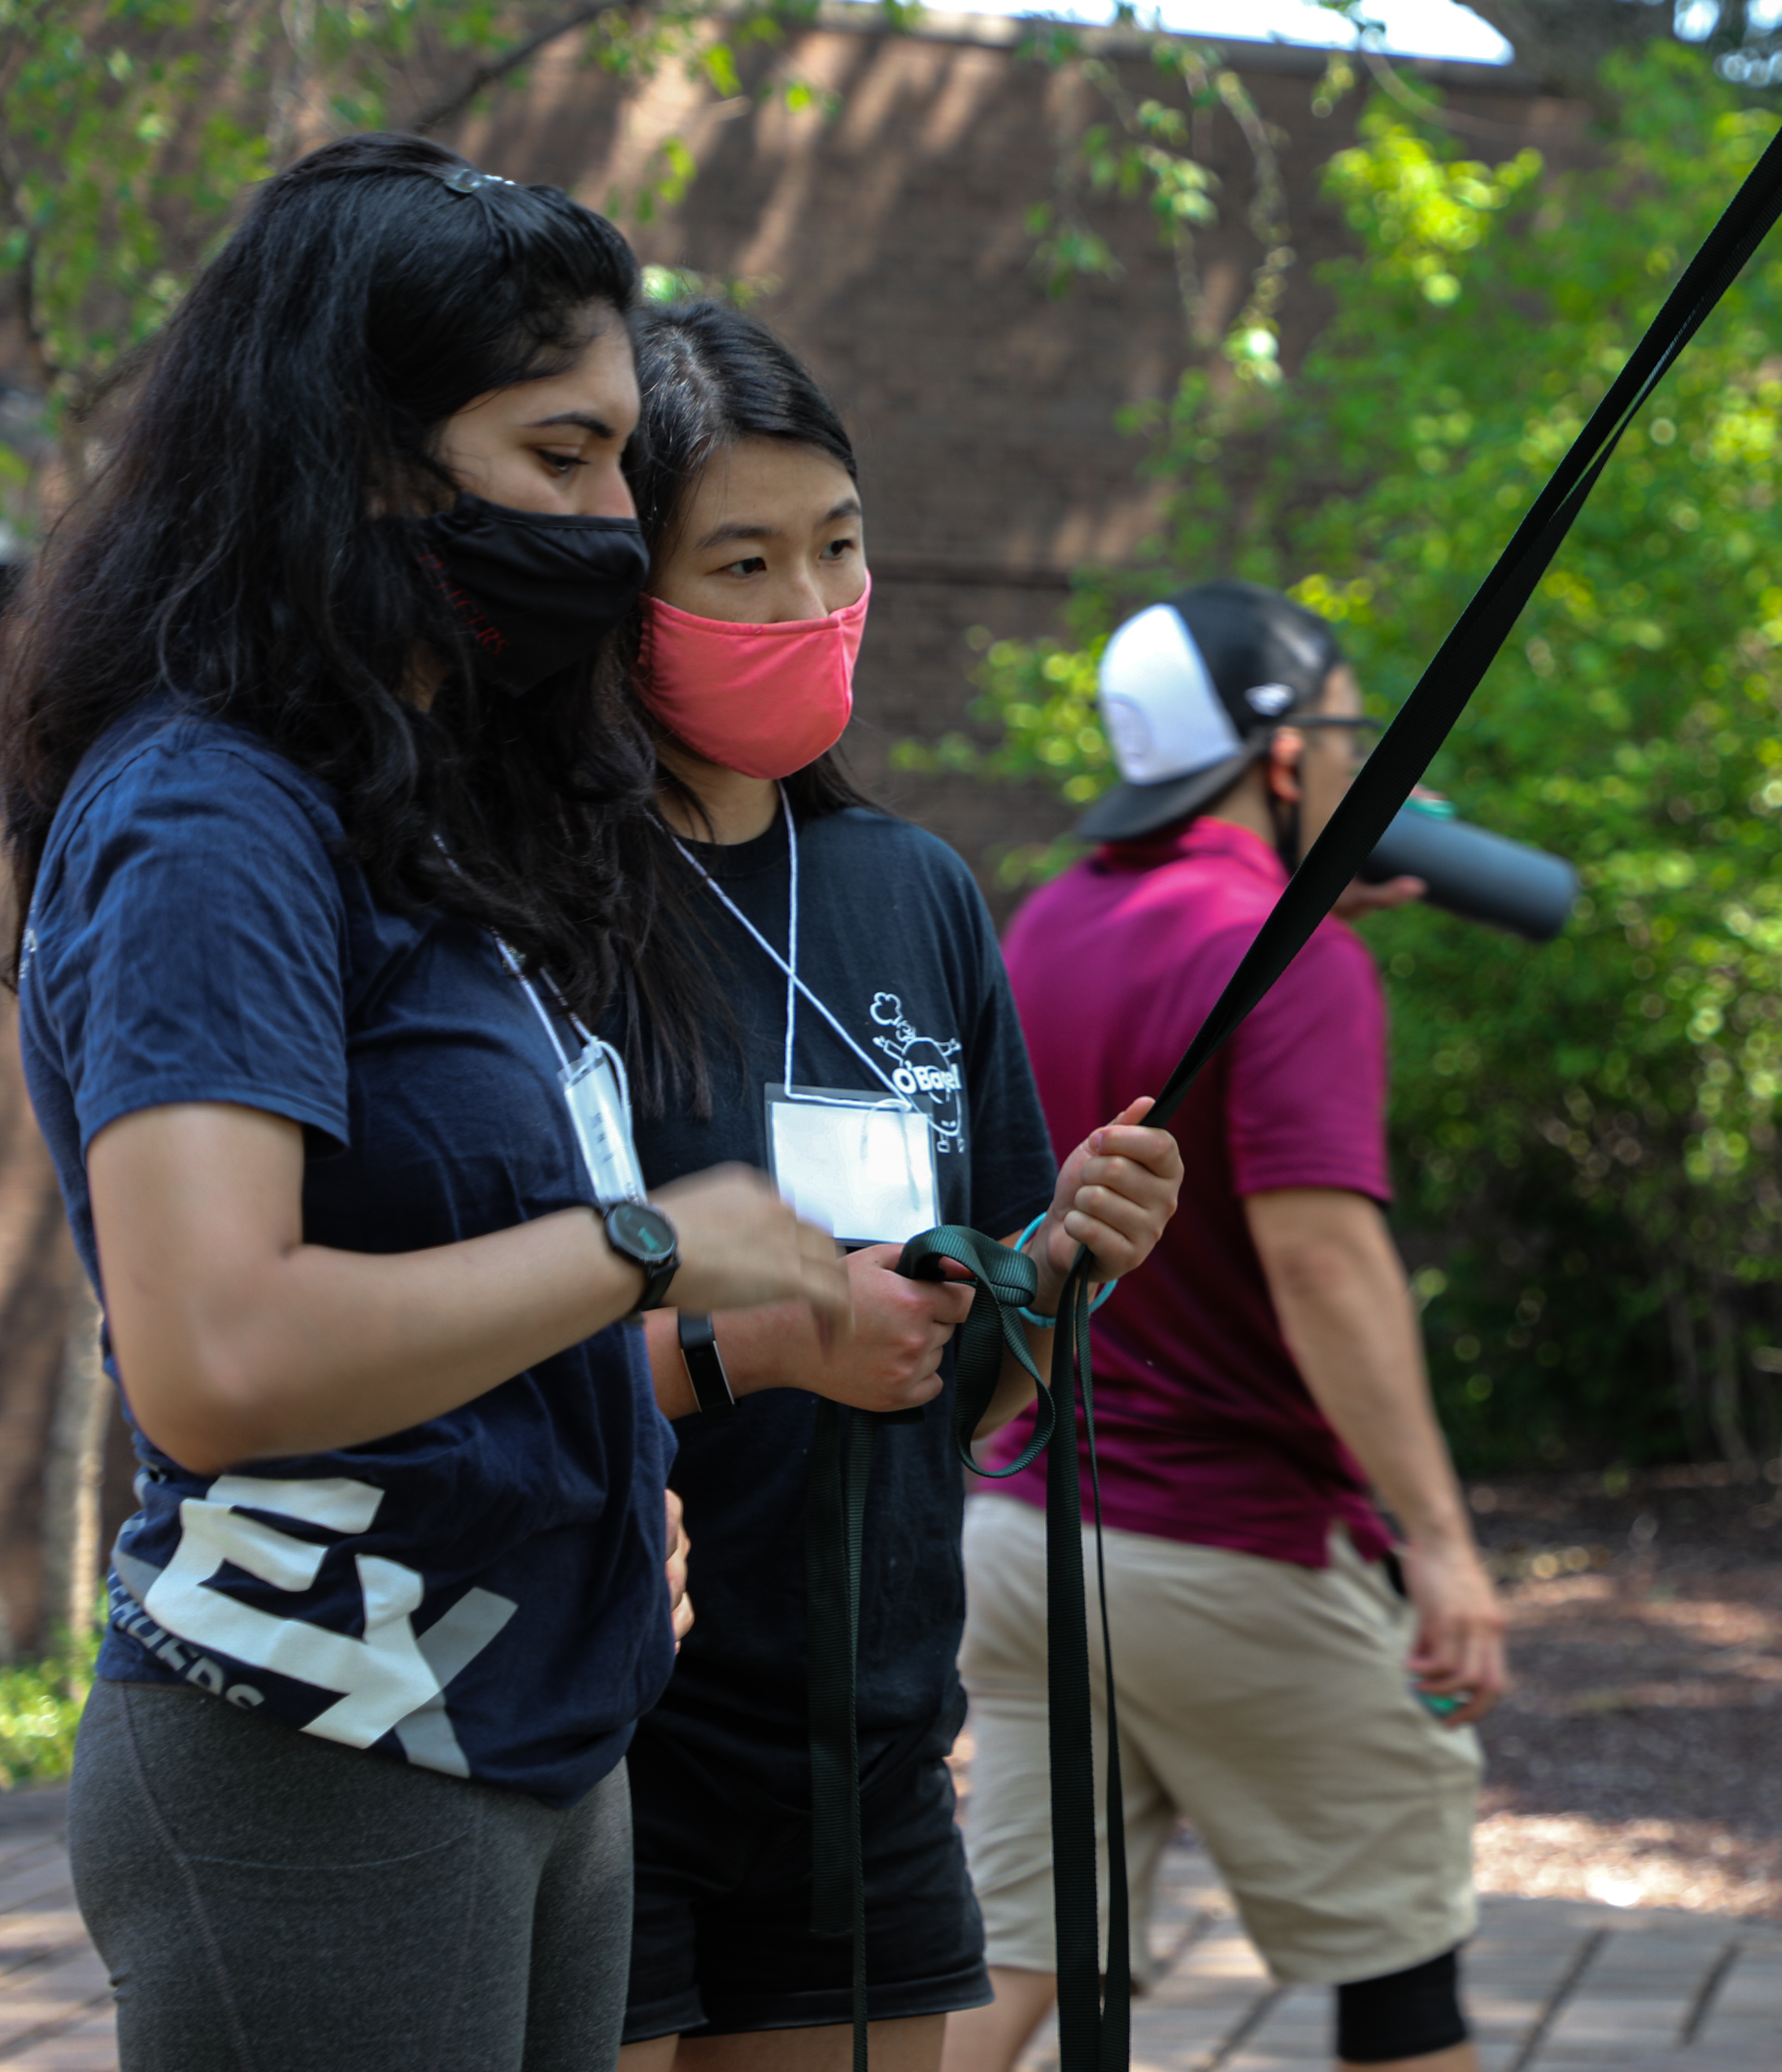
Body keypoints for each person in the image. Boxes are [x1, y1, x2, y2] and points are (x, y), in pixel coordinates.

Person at [0, 136, 853, 2071]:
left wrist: (705, 1374)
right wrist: (642, 1244)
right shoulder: (209, 818)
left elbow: (467, 1330)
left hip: (527, 1727)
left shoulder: (428, 822)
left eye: (623, 462)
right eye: (560, 459)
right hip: (321, 1747)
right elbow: (217, 1355)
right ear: (359, 452)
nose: (616, 521)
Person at [600, 302, 1185, 2072]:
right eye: (744, 562)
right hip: (605, 1736)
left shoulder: (911, 887)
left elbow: (986, 1376)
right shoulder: (533, 901)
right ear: (621, 589)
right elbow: (463, 1345)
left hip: (864, 1740)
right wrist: (762, 1341)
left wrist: (1068, 1266)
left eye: (837, 548)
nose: (805, 606)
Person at [944, 583, 1507, 2072]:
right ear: (1279, 758)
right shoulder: (1291, 958)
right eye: (1347, 727)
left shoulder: (1051, 920)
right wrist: (1440, 1543)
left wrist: (1313, 904)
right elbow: (1323, 1264)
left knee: (1005, 1958)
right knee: (1405, 1963)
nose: (1366, 760)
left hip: (1027, 1539)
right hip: (1234, 1552)